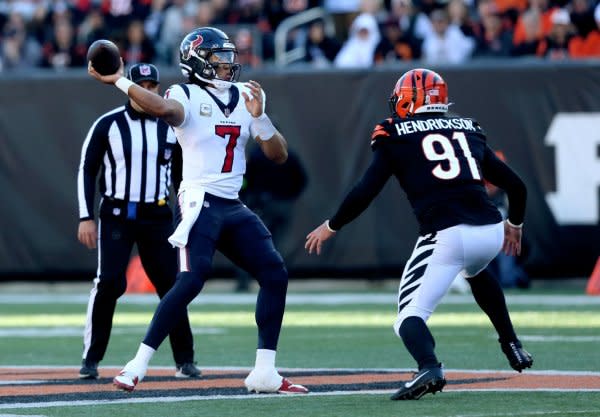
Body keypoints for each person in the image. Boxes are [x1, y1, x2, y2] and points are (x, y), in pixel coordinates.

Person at [87, 27, 308, 395]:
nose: (228, 65)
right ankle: (136, 364)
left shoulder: (244, 96)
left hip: (232, 204)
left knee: (274, 273)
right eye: (220, 58)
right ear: (197, 60)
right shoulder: (183, 93)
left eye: (228, 57)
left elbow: (278, 155)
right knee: (191, 279)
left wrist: (262, 118)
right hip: (198, 200)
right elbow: (162, 108)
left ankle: (265, 371)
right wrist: (120, 82)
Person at [305, 68, 533, 401]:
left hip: (447, 234)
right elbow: (517, 185)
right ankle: (511, 343)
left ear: (410, 99)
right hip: (490, 232)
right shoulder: (467, 127)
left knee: (408, 318)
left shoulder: (394, 132)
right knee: (477, 271)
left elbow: (365, 190)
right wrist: (515, 224)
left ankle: (429, 367)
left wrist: (332, 225)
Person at [77, 63, 199, 380]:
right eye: (140, 83)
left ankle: (184, 359)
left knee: (173, 286)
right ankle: (91, 358)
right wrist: (85, 216)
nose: (146, 89)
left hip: (157, 215)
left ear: (158, 89)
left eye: (152, 85)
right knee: (109, 283)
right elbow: (87, 170)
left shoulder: (172, 128)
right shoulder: (108, 124)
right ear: (128, 86)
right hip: (117, 214)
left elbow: (181, 177)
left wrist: (188, 216)